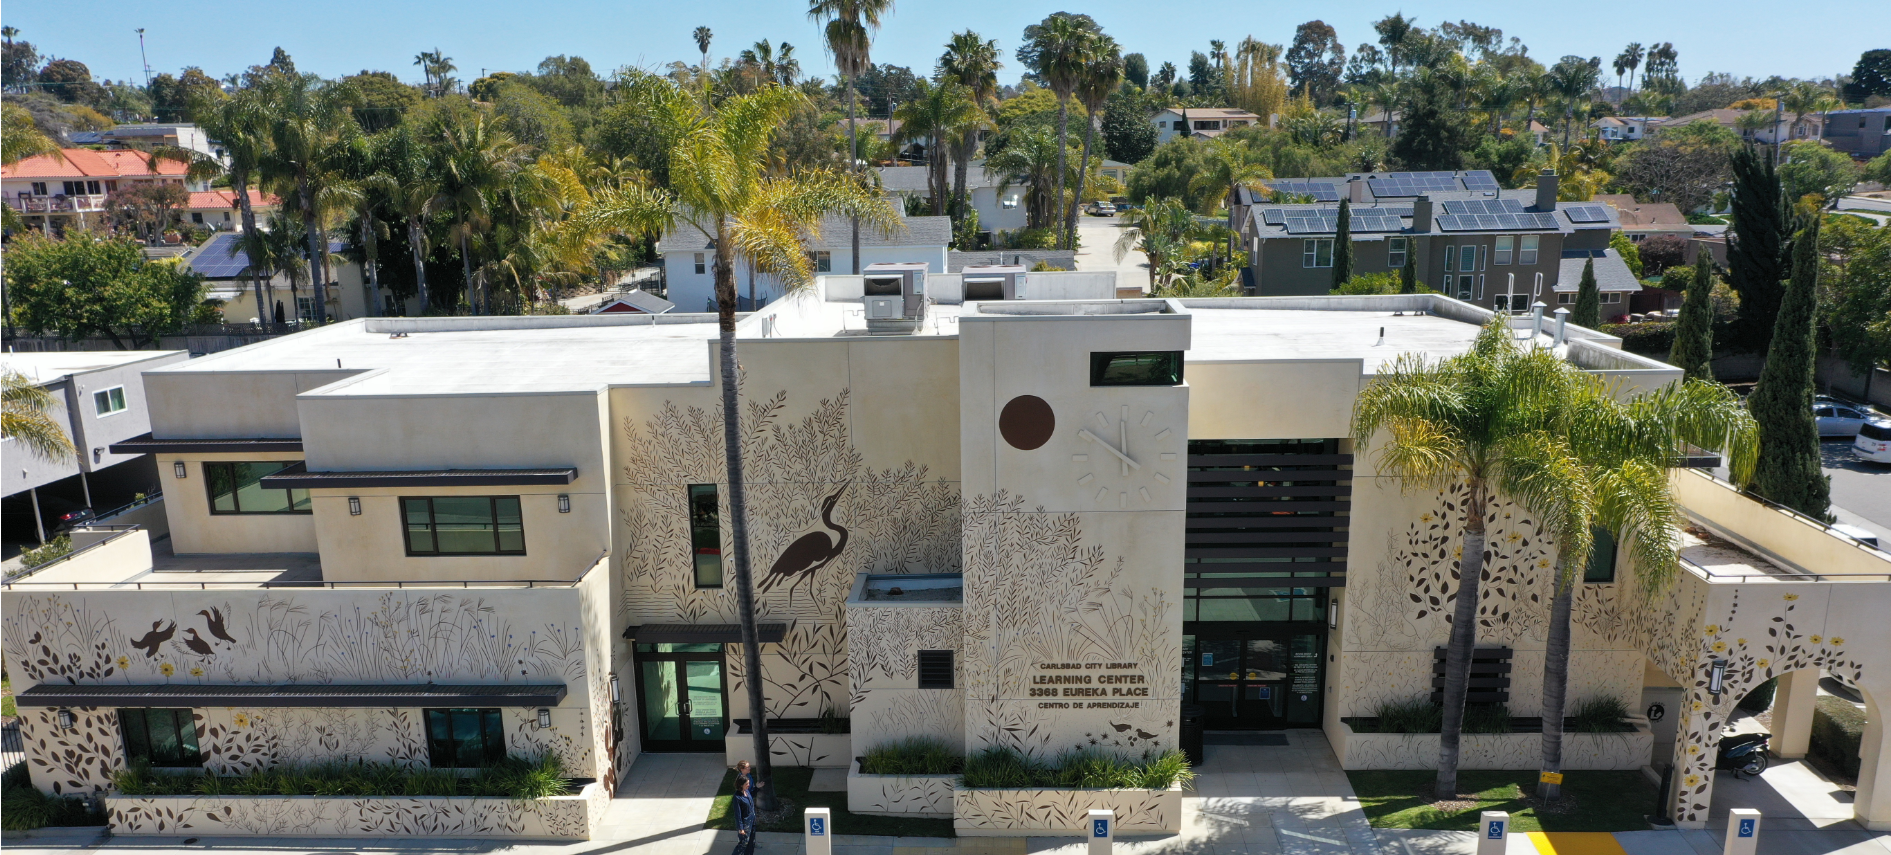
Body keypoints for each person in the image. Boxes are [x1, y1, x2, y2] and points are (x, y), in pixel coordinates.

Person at [731, 776, 757, 855]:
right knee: (743, 844)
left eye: (748, 783)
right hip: (745, 824)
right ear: (741, 785)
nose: (749, 785)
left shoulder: (747, 791)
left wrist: (757, 788)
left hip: (752, 821)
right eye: (747, 784)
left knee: (751, 842)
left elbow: (751, 797)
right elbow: (738, 814)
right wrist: (741, 828)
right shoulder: (737, 797)